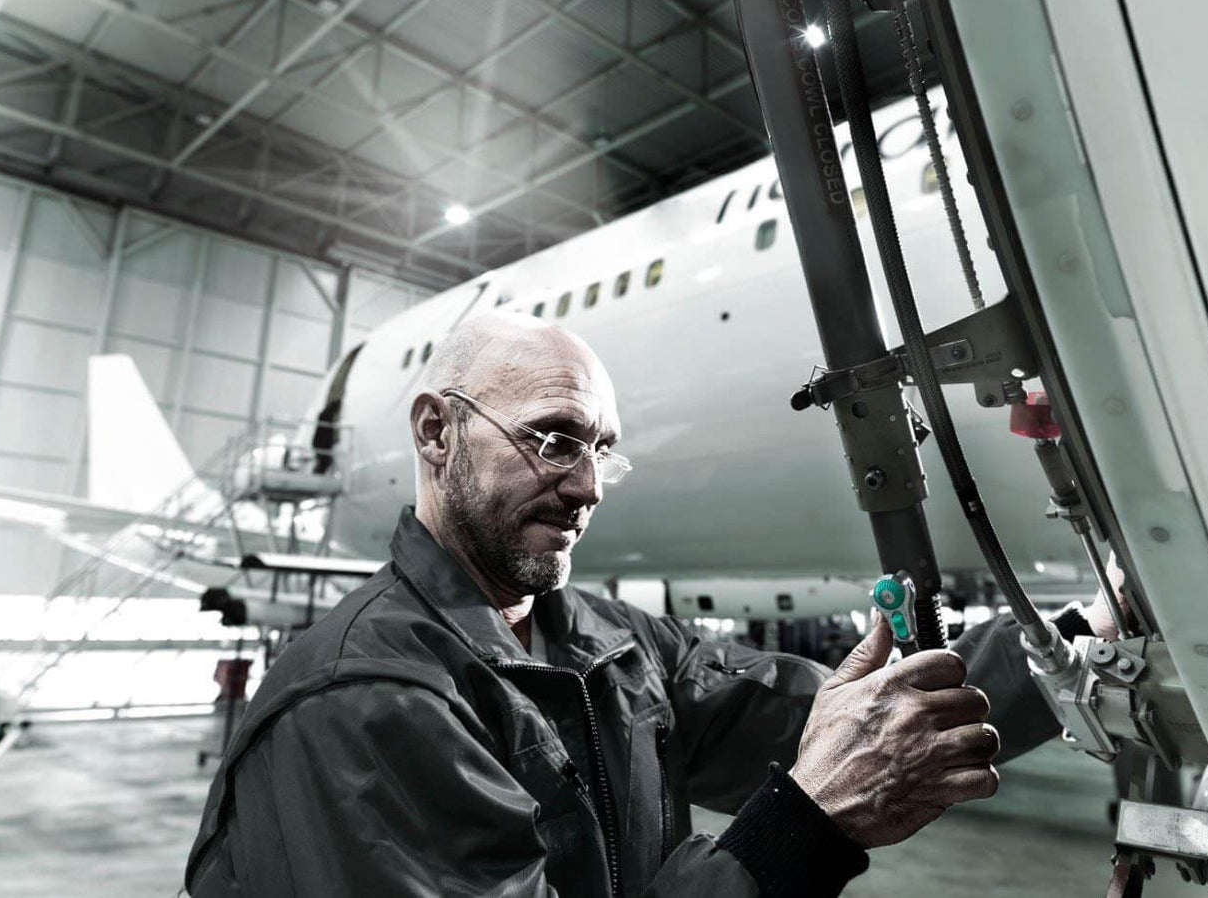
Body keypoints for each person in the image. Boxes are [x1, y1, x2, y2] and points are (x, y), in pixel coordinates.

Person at [186, 312, 1117, 897]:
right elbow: (823, 782)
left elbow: (840, 719)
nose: (588, 488)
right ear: (437, 432)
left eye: (603, 451)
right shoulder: (364, 698)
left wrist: (1089, 627)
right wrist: (799, 830)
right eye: (555, 440)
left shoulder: (612, 643)